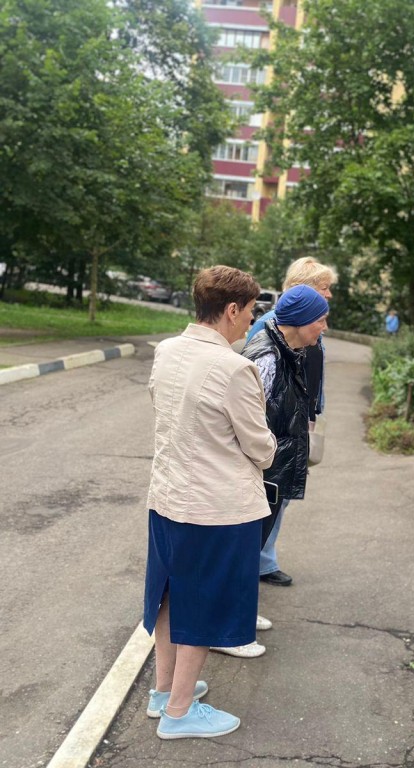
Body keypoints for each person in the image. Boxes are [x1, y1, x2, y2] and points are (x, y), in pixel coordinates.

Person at [143, 266, 277, 739]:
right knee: (201, 604)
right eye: (251, 310)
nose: (252, 321)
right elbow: (259, 446)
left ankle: (165, 692)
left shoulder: (167, 350)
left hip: (167, 495)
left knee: (168, 595)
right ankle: (179, 713)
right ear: (232, 309)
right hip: (217, 507)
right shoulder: (234, 368)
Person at [211, 285, 330, 658]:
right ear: (300, 322)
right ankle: (225, 632)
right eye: (321, 320)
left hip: (271, 473)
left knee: (251, 550)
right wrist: (264, 462)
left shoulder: (289, 350)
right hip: (261, 473)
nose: (324, 327)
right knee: (240, 552)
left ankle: (240, 614)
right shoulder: (267, 357)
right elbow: (249, 422)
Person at [247, 257, 337, 588]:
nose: (328, 295)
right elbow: (258, 401)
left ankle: (262, 562)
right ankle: (256, 567)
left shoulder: (307, 324)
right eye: (324, 288)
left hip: (297, 422)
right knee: (268, 498)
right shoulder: (273, 329)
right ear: (304, 290)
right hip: (275, 437)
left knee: (278, 498)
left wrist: (313, 413)